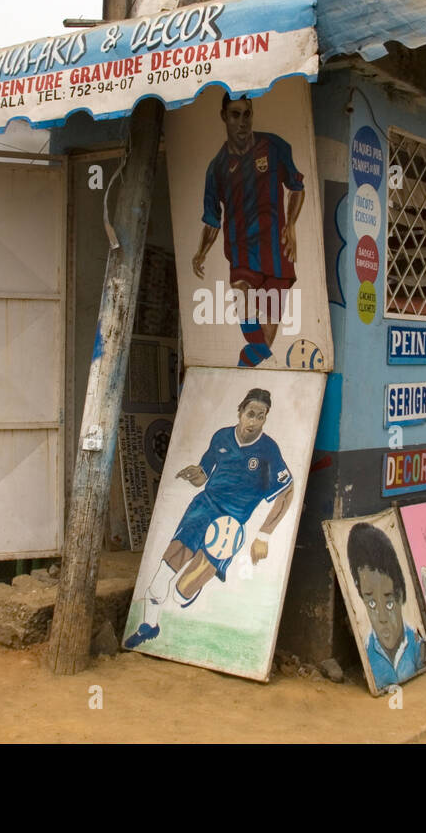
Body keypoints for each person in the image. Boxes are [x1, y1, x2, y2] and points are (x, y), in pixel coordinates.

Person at [124, 388, 293, 649]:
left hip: (230, 523)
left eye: (261, 417)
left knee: (181, 593)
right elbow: (205, 473)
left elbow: (287, 492)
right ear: (239, 411)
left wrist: (263, 536)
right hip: (203, 507)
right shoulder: (221, 437)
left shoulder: (268, 451)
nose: (254, 421)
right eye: (250, 414)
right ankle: (149, 626)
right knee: (161, 575)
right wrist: (196, 473)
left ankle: (194, 583)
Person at [191, 93, 306, 367]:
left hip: (277, 251)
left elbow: (297, 187)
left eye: (247, 114)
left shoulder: (275, 146)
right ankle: (247, 375)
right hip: (241, 251)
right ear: (224, 117)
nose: (243, 121)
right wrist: (200, 252)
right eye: (235, 115)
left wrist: (291, 226)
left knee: (264, 340)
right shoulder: (217, 167)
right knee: (241, 292)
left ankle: (244, 373)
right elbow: (212, 218)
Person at [346, 523, 424, 691]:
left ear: (401, 595)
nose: (381, 617)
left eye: (389, 603)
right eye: (372, 604)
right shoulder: (367, 653)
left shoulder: (419, 646)